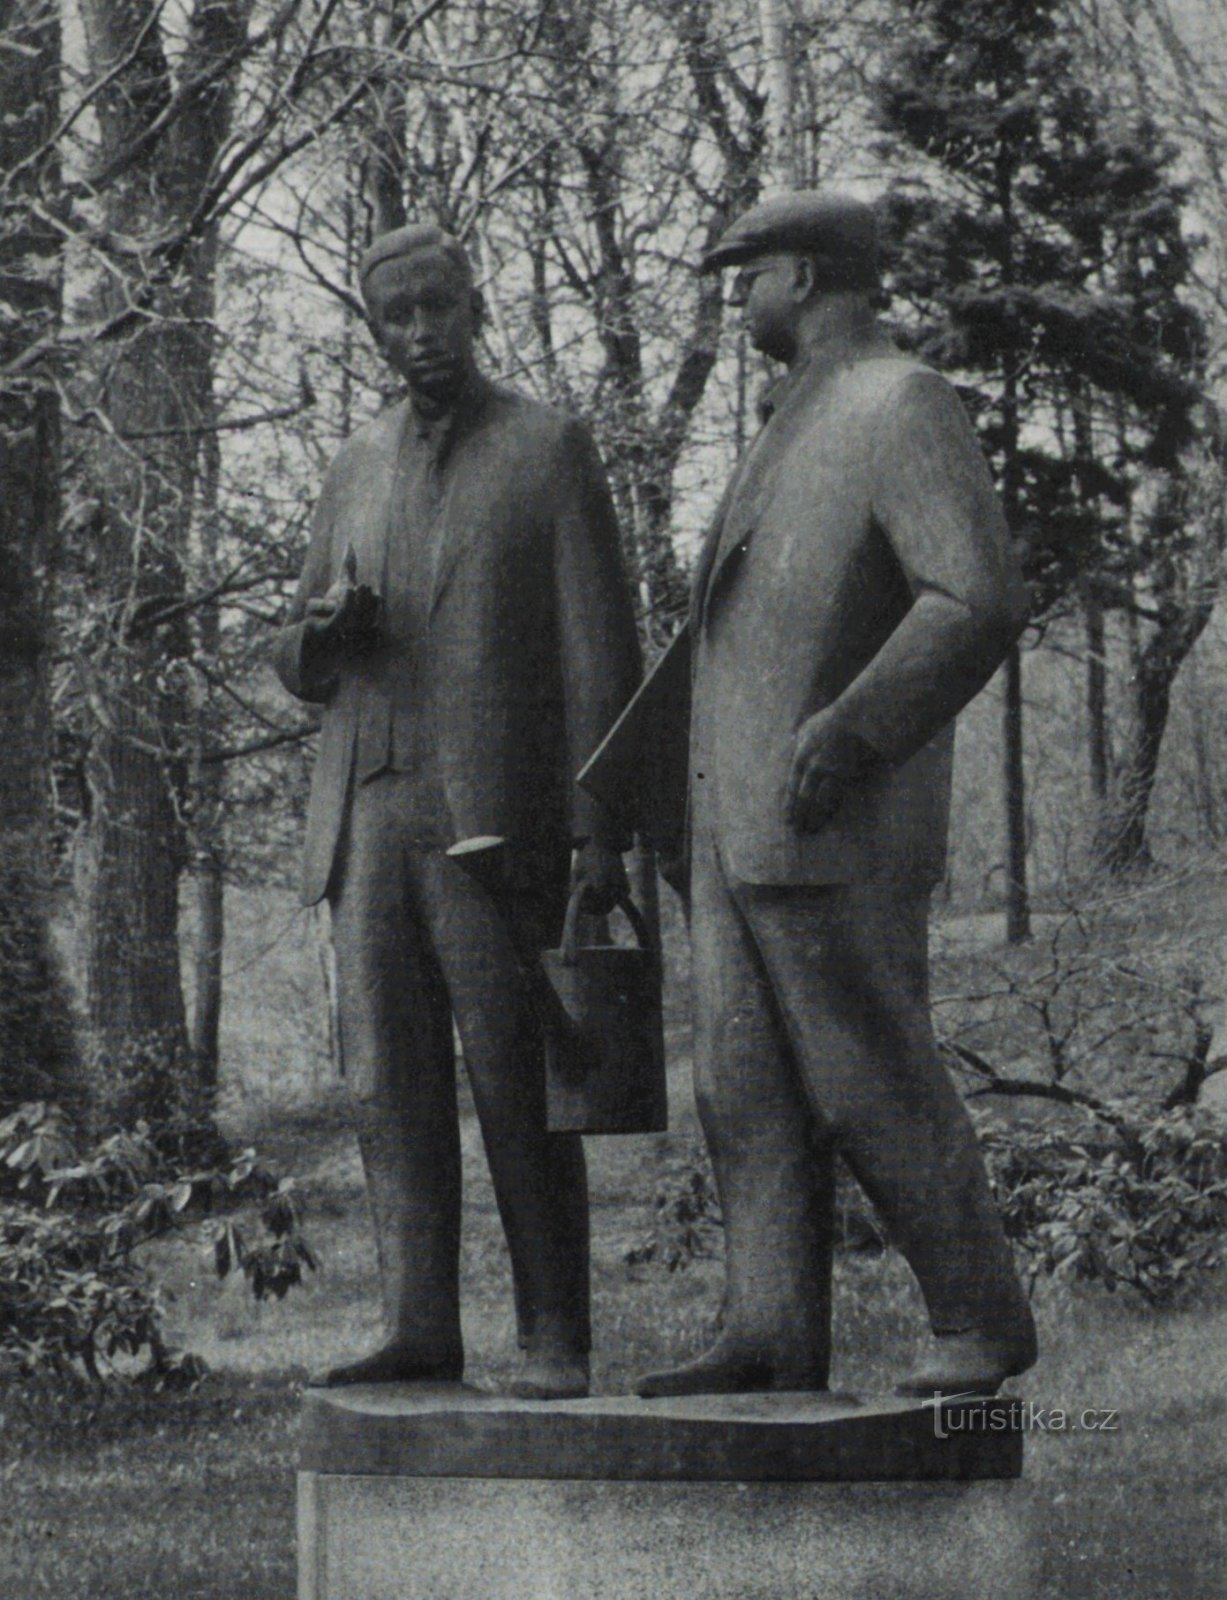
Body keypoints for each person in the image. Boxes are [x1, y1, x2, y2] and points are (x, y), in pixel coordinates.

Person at [635, 191, 1038, 1399]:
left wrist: (854, 730)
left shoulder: (899, 402)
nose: (734, 292)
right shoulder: (786, 422)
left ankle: (980, 1317)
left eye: (744, 271)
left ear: (804, 275)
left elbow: (973, 602)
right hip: (737, 823)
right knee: (739, 1085)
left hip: (832, 815)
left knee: (867, 1070)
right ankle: (770, 1327)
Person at [274, 221, 641, 1400]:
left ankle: (554, 1333)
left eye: (437, 305)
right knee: (388, 1081)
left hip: (497, 820)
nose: (420, 331)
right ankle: (417, 1321)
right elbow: (293, 651)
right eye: (396, 315)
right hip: (367, 813)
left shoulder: (548, 447)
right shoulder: (352, 463)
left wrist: (601, 831)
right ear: (374, 328)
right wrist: (319, 636)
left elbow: (601, 653)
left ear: (474, 302)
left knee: (516, 1072)